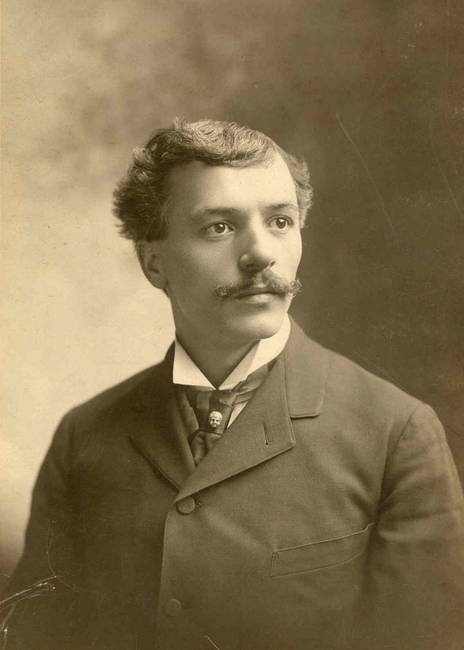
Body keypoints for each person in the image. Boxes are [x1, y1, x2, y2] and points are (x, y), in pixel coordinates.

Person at [3, 119, 464, 650]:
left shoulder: (396, 433)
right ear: (154, 263)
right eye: (219, 227)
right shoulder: (84, 436)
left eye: (280, 221)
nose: (261, 253)